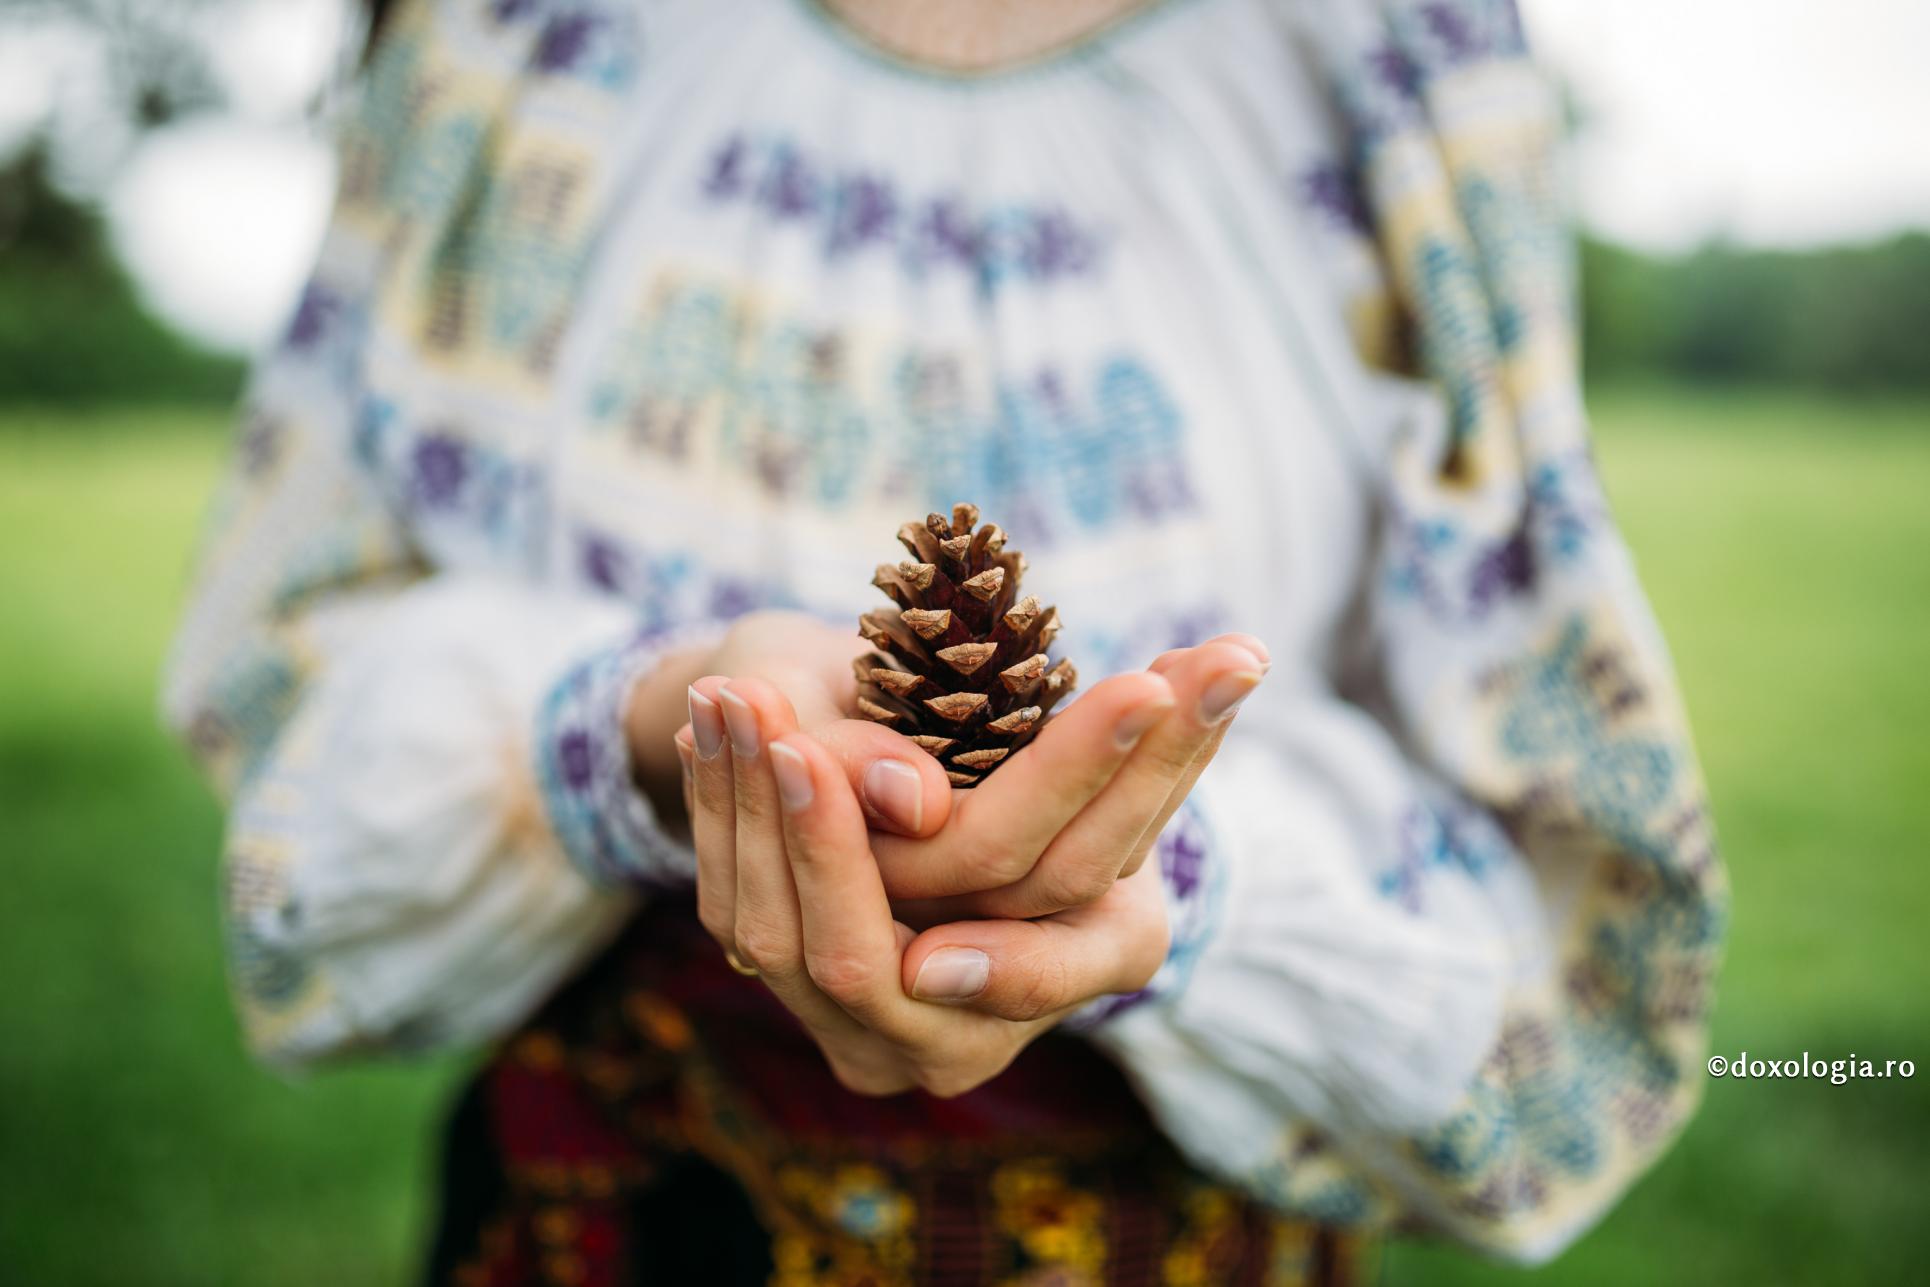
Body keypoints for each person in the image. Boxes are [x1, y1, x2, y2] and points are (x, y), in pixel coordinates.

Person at [163, 0, 1729, 1281]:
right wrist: (646, 728)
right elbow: (290, 691)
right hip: (620, 1214)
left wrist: (1152, 871)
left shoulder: (1394, 63)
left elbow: (1553, 865)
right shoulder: (512, 42)